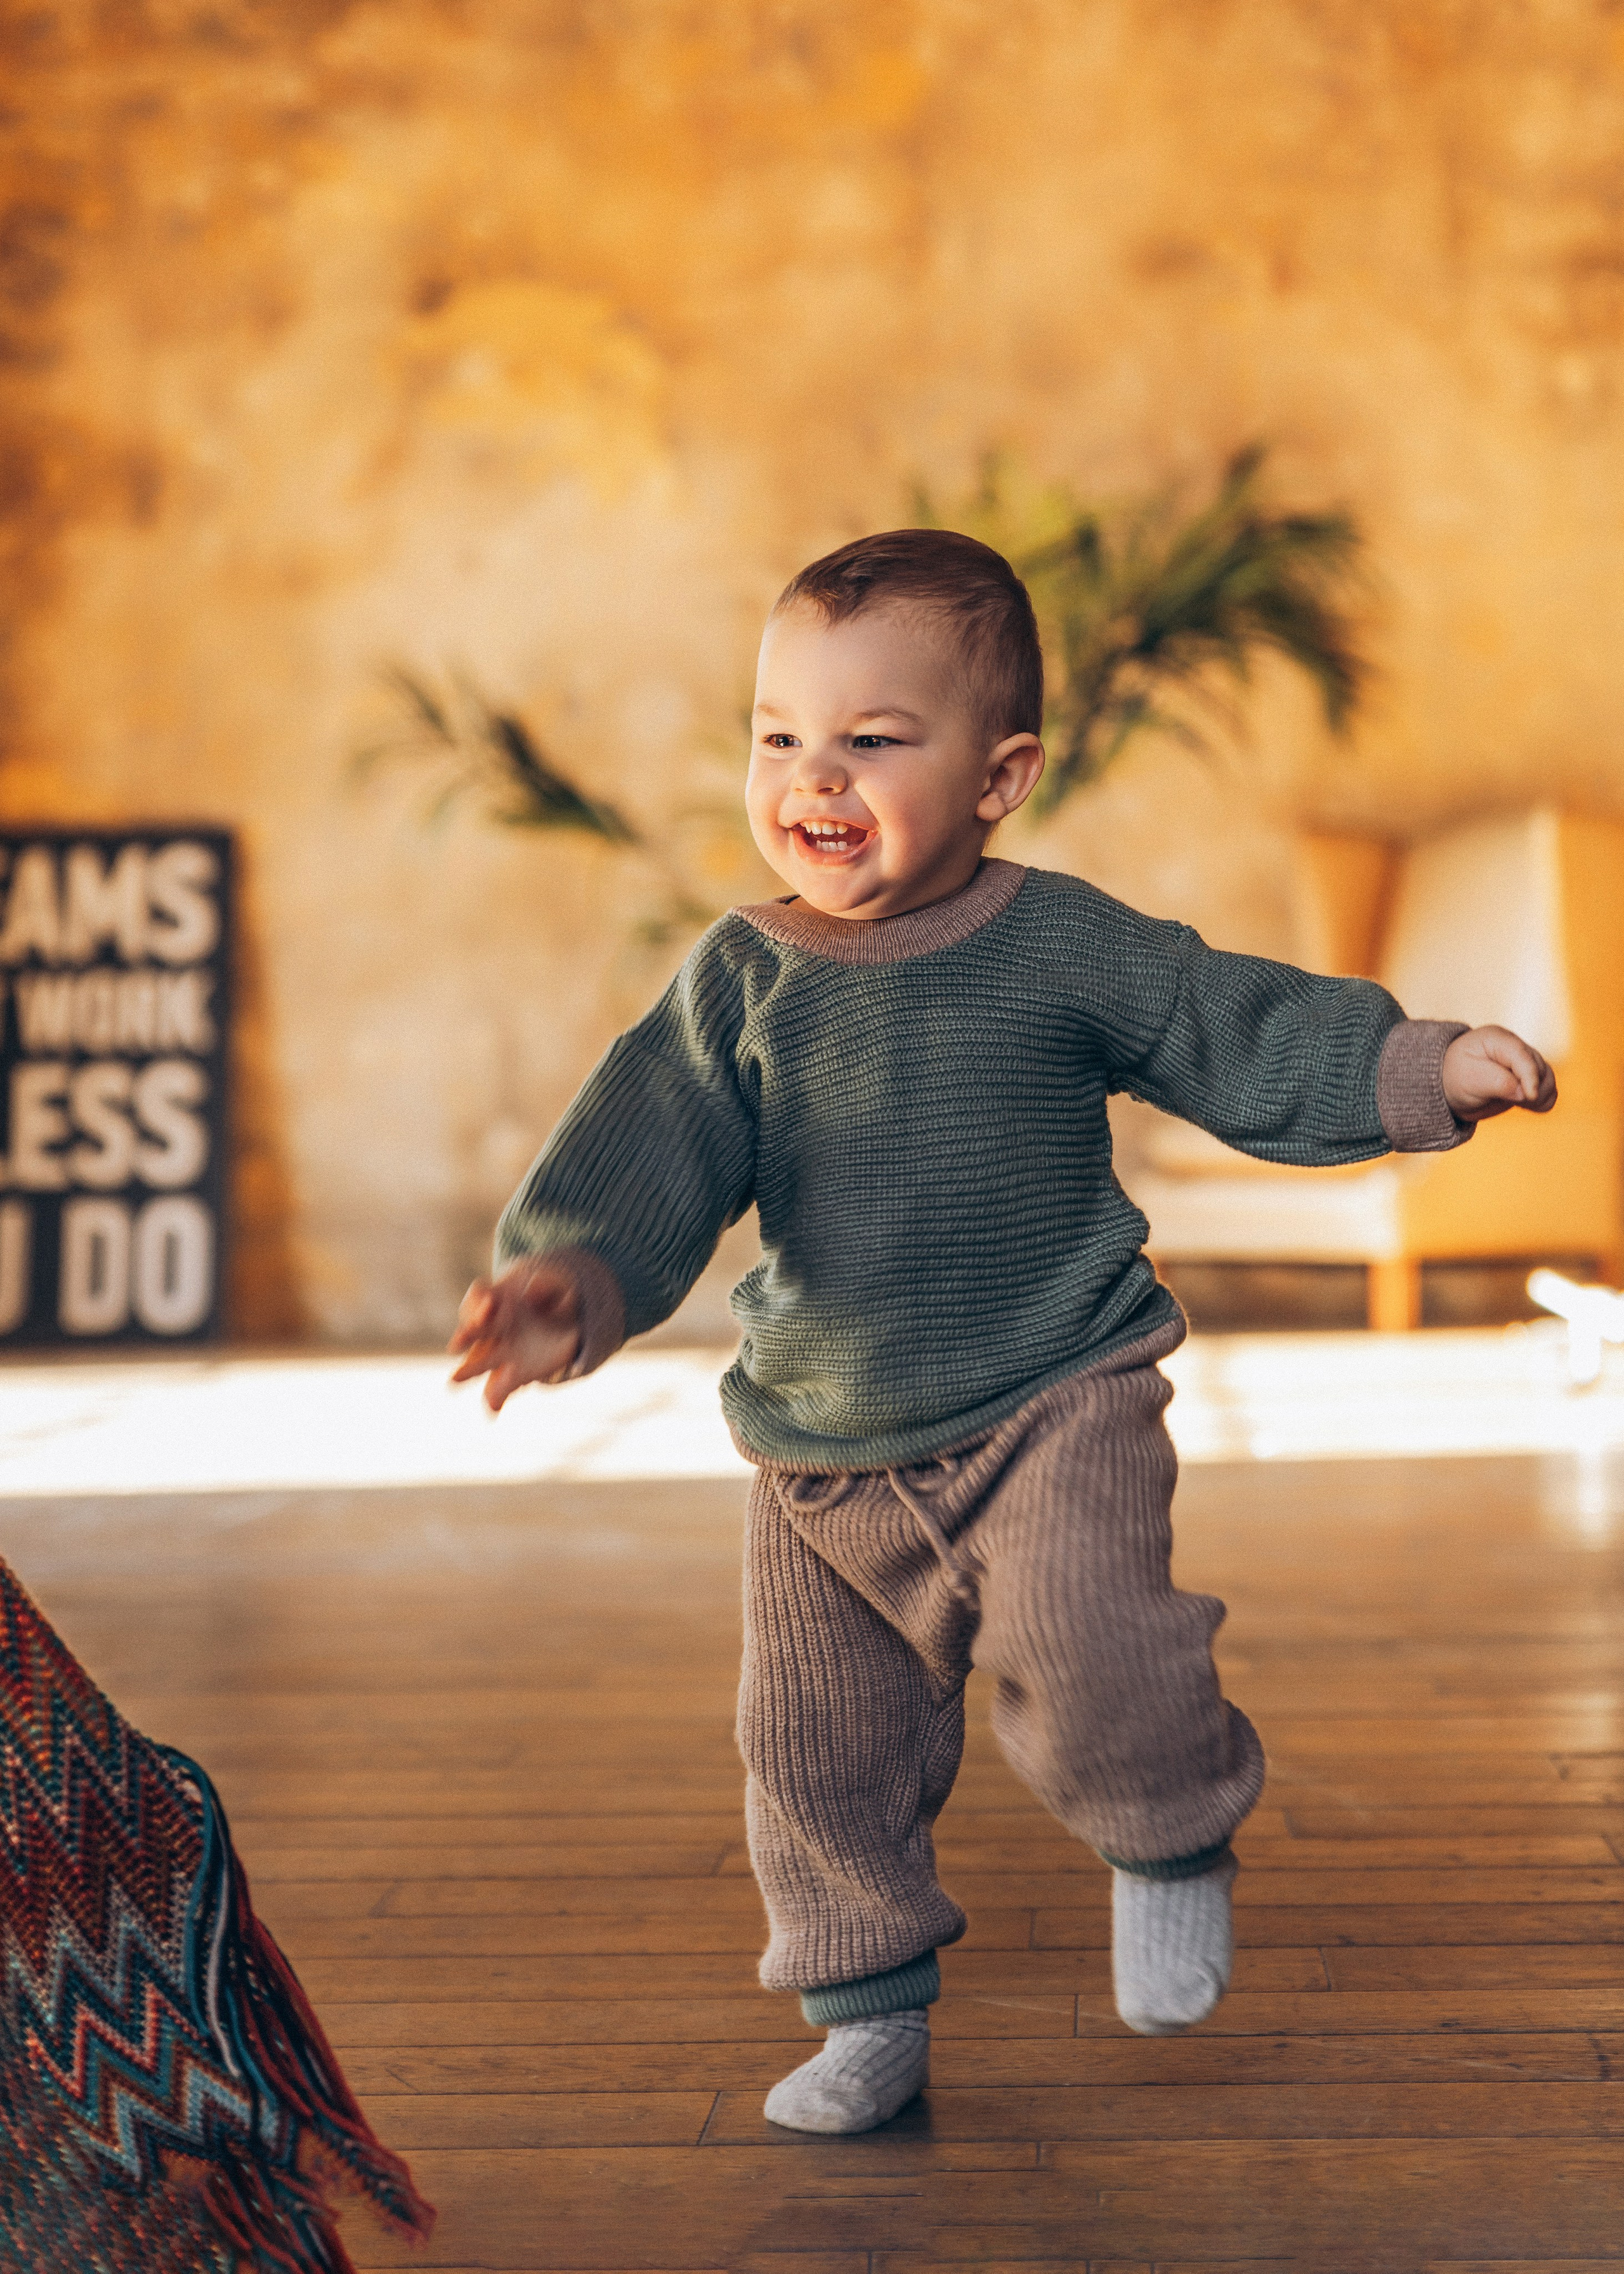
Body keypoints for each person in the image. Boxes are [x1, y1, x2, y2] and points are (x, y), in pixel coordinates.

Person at [449, 529, 1557, 2136]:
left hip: (1056, 1389)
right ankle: (867, 2009)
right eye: (778, 736)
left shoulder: (1057, 942)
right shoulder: (743, 979)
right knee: (809, 1749)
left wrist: (1414, 1069)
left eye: (872, 741)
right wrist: (569, 1277)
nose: (810, 777)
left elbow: (1219, 1022)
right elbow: (650, 1148)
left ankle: (1168, 1837)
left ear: (999, 773)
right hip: (824, 1450)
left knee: (1090, 1642)